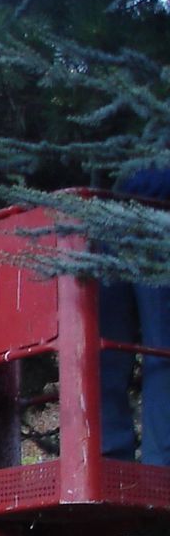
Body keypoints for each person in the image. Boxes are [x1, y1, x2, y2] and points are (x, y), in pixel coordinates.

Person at [98, 166, 170, 468]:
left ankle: (160, 464)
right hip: (107, 220)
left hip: (160, 218)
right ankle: (111, 462)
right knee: (102, 354)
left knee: (161, 352)